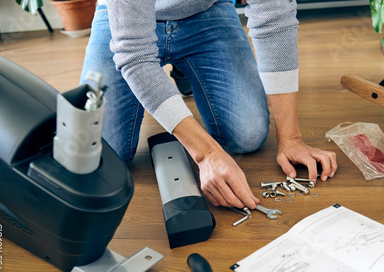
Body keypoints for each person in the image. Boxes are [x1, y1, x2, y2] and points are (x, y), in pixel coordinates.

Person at [80, 0, 337, 210]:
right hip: (125, 23)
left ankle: (184, 71)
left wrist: (291, 138)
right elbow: (134, 54)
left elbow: (275, 17)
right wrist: (206, 154)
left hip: (206, 12)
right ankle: (166, 78)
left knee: (248, 135)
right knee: (102, 151)